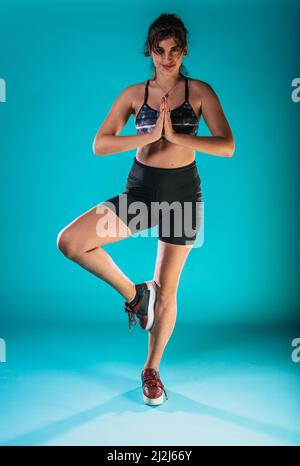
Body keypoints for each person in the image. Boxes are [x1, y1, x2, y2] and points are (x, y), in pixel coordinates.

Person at [57, 13, 235, 406]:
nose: (167, 57)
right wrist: (153, 133)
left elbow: (227, 145)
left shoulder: (200, 91)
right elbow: (100, 144)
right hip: (141, 193)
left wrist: (178, 136)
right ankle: (136, 295)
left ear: (184, 51)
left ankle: (151, 370)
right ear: (150, 52)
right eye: (160, 50)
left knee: (168, 291)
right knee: (71, 242)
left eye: (174, 51)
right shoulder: (134, 94)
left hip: (183, 195)